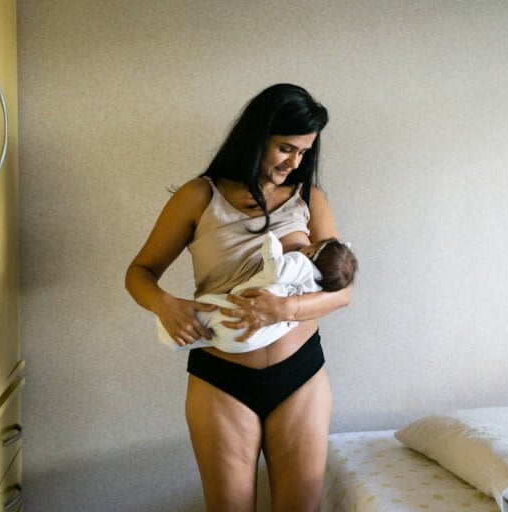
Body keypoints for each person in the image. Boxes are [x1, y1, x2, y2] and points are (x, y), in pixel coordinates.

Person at [125, 83, 352, 511]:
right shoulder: (198, 196)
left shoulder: (309, 199)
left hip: (299, 375)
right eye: (286, 148)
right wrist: (164, 303)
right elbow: (139, 273)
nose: (295, 162)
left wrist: (284, 308)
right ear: (257, 135)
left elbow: (341, 292)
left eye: (304, 152)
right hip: (221, 379)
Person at [156, 231, 357, 353]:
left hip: (248, 327)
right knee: (213, 325)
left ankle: (174, 337)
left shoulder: (301, 262)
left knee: (210, 309)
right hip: (255, 341)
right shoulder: (318, 284)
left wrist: (272, 249)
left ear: (311, 251)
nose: (295, 163)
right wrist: (162, 303)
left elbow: (277, 272)